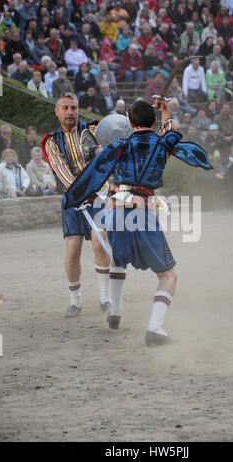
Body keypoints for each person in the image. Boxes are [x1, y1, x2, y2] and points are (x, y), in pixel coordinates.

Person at [64, 99, 212, 345]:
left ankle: (115, 312)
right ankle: (154, 329)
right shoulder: (163, 143)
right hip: (142, 209)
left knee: (118, 260)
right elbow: (172, 132)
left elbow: (94, 173)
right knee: (168, 276)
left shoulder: (118, 146)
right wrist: (167, 112)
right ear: (153, 121)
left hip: (115, 209)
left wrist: (77, 197)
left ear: (130, 124)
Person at [41, 92, 111, 318]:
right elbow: (60, 170)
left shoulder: (91, 131)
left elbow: (106, 155)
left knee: (100, 243)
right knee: (72, 251)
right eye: (65, 108)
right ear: (57, 111)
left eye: (73, 108)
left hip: (98, 196)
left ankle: (105, 297)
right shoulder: (52, 142)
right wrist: (78, 192)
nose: (70, 112)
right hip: (72, 200)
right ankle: (75, 300)